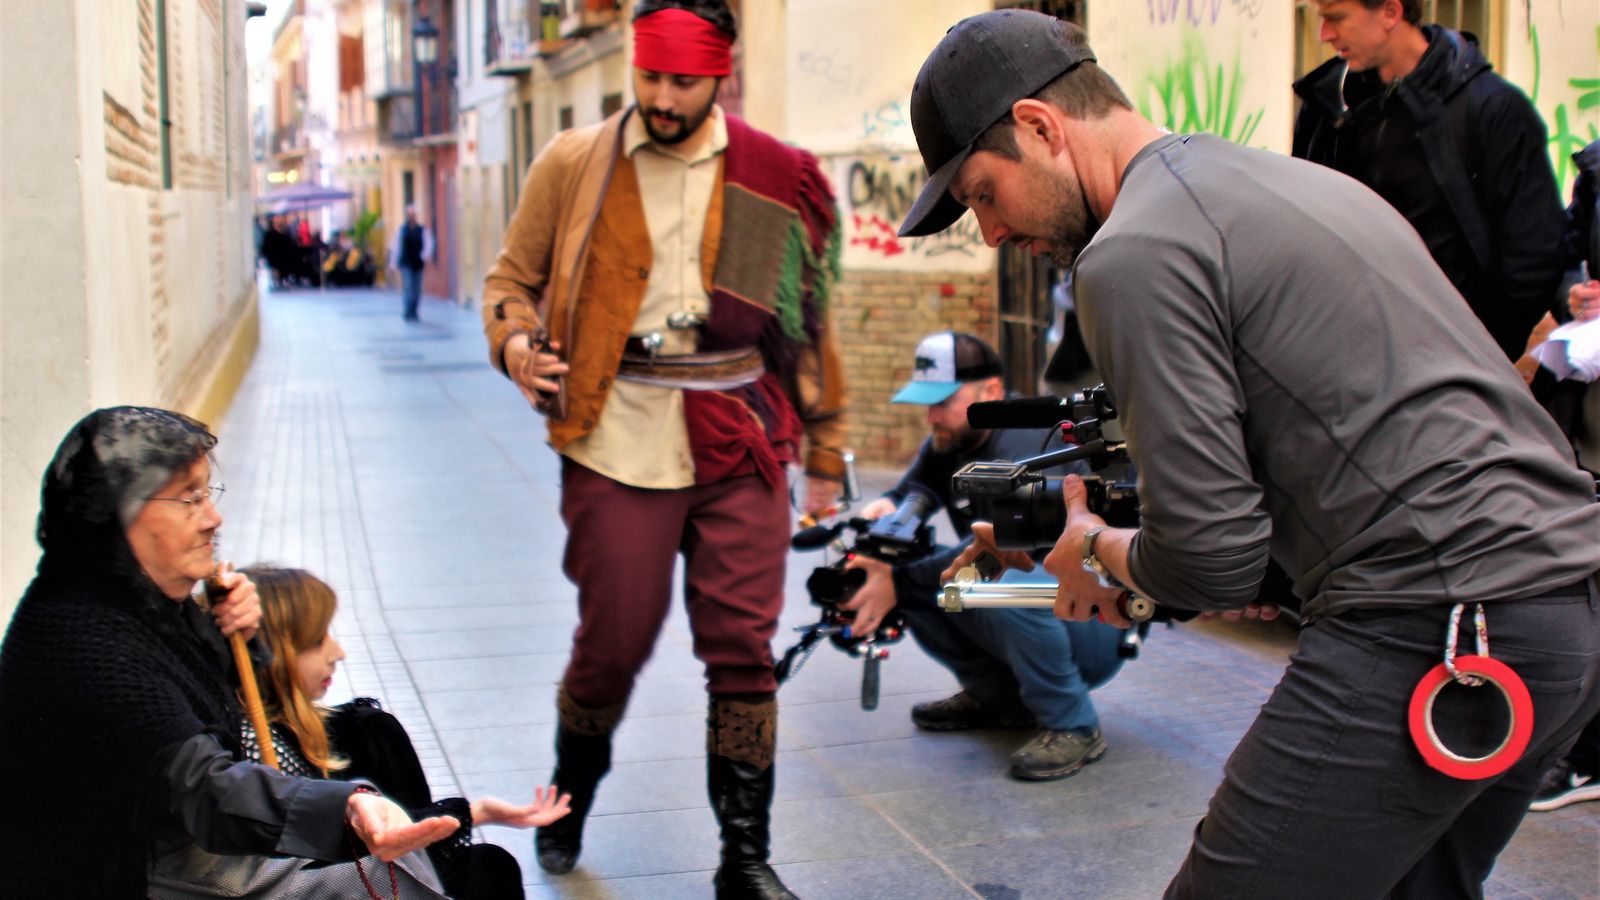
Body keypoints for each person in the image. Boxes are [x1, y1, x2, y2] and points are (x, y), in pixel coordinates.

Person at [898, 11, 1600, 898]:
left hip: (1441, 620)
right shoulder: (1284, 180)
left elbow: (1205, 557)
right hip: (1563, 607)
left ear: (1040, 127)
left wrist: (1098, 552)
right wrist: (1280, 570)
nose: (991, 233)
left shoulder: (1132, 253)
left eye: (984, 194)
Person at [479, 1, 847, 895]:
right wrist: (517, 348)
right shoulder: (575, 163)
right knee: (613, 642)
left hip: (742, 434)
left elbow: (806, 325)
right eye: (650, 76)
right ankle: (573, 790)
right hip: (615, 432)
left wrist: (828, 457)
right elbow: (510, 282)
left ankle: (744, 858)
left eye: (682, 81)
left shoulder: (773, 175)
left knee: (742, 649)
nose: (662, 96)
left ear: (721, 73)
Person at [0, 407, 464, 897]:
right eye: (189, 498)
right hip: (127, 875)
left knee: (401, 858)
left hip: (166, 854)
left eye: (208, 493)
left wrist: (230, 634)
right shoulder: (85, 646)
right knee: (389, 876)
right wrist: (345, 806)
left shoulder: (131, 598)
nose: (213, 518)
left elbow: (198, 695)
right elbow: (205, 788)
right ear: (120, 513)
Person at [839, 331, 1130, 781]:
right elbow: (914, 491)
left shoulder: (1026, 443)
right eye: (927, 403)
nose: (931, 415)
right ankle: (996, 699)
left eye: (943, 401)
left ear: (991, 392)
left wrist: (898, 581)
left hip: (1093, 617)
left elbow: (1010, 552)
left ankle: (1074, 724)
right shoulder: (953, 436)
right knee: (915, 572)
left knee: (993, 583)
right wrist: (887, 518)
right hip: (1036, 602)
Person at [239, 565, 573, 898]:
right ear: (271, 655)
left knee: (373, 729)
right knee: (490, 868)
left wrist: (478, 812)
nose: (337, 653)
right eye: (316, 641)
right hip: (325, 880)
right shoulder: (259, 749)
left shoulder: (321, 730)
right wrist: (476, 814)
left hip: (350, 864)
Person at [1292, 0, 1568, 363]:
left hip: (1452, 366)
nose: (1324, 34)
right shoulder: (1327, 109)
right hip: (1347, 362)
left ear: (1391, 12)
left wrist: (1479, 355)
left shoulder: (1492, 108)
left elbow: (1533, 254)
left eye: (1337, 18)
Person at [390, 204, 434, 321]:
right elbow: (396, 246)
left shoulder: (423, 230)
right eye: (409, 214)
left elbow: (428, 245)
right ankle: (408, 310)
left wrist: (424, 257)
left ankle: (414, 310)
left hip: (418, 263)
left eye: (413, 214)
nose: (411, 216)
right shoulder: (401, 230)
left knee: (417, 288)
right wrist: (393, 263)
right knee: (408, 287)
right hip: (405, 263)